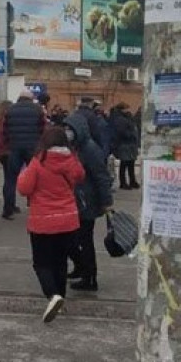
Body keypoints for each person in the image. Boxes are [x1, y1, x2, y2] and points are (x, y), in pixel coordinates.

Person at [17, 126, 85, 323]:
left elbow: (24, 188)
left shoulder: (39, 162)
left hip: (43, 220)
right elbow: (80, 176)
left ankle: (52, 295)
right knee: (61, 262)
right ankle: (60, 298)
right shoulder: (72, 160)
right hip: (68, 220)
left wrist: (24, 175)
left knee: (42, 263)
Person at [64, 112, 113, 292]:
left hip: (87, 202)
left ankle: (89, 277)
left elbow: (101, 176)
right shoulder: (74, 147)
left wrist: (107, 202)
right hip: (77, 200)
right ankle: (81, 268)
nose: (67, 131)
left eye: (70, 129)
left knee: (84, 240)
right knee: (75, 239)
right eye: (66, 128)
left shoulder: (89, 149)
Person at [3, 88, 46, 220]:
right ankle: (35, 206)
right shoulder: (37, 109)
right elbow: (43, 128)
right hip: (32, 148)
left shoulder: (10, 110)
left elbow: (4, 130)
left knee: (10, 179)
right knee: (36, 178)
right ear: (30, 98)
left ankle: (8, 209)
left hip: (14, 148)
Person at [110, 102, 140, 189]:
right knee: (124, 164)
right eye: (126, 108)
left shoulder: (127, 117)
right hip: (124, 144)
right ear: (122, 109)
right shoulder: (119, 119)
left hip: (131, 144)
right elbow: (121, 132)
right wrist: (130, 135)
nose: (128, 110)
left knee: (131, 163)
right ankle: (123, 183)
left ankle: (132, 181)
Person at [0, 99, 13, 209]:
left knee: (8, 178)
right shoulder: (7, 121)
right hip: (8, 151)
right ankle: (9, 206)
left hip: (1, 152)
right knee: (10, 180)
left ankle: (9, 204)